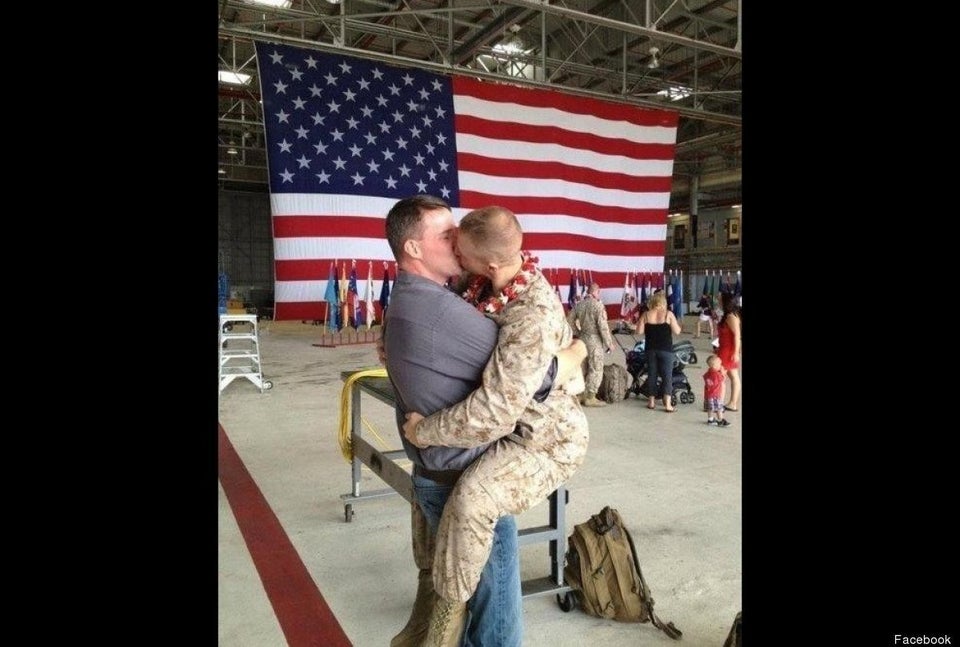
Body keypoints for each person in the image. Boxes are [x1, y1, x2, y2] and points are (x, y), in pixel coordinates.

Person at [382, 196, 586, 647]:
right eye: (447, 236)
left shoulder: (511, 306)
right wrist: (569, 357)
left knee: (474, 507)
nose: (456, 245)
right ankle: (437, 622)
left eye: (460, 239)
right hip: (476, 452)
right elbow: (524, 377)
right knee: (489, 600)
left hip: (540, 439)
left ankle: (438, 624)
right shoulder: (447, 300)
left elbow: (506, 399)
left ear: (490, 264)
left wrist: (570, 358)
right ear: (414, 249)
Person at [567, 281, 615, 407]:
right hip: (595, 341)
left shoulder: (579, 305)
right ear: (596, 292)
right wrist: (609, 343)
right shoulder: (598, 307)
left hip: (582, 339)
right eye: (599, 292)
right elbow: (603, 327)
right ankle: (590, 396)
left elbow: (570, 320)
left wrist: (577, 333)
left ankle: (580, 393)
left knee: (582, 366)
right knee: (596, 367)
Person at [636, 291, 683, 412]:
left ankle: (651, 402)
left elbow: (639, 332)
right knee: (667, 376)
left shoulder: (646, 315)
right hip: (666, 349)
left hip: (650, 349)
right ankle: (667, 405)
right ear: (663, 303)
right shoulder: (668, 314)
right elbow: (677, 331)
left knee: (652, 374)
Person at [717, 291, 742, 411]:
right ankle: (731, 403)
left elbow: (737, 335)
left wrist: (736, 352)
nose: (718, 302)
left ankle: (721, 402)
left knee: (721, 375)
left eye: (720, 300)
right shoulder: (726, 315)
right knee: (732, 375)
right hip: (723, 348)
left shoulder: (731, 317)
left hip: (728, 350)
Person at [702, 354, 730, 427]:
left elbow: (705, 377)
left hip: (708, 394)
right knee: (719, 408)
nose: (721, 365)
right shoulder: (717, 374)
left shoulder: (708, 373)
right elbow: (722, 380)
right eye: (720, 364)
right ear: (714, 366)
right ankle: (721, 420)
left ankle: (710, 419)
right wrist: (723, 373)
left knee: (710, 408)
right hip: (715, 394)